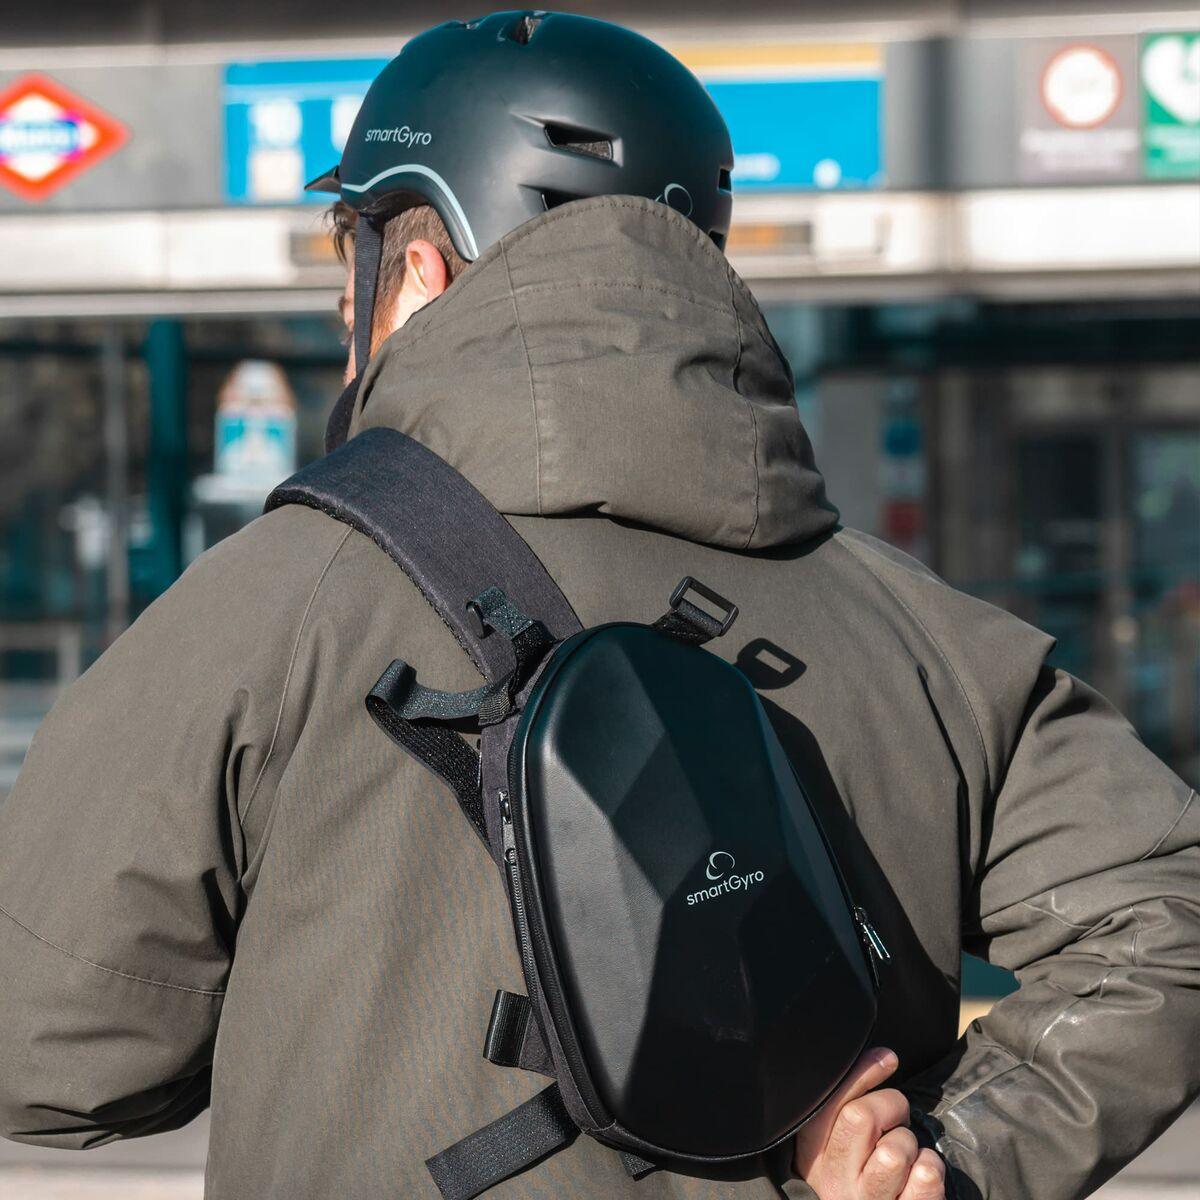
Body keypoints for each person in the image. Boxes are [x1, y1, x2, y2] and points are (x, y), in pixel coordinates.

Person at [1, 12, 1196, 1200]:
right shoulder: (924, 635)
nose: (340, 316)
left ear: (416, 274)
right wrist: (947, 1154)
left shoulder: (263, 608)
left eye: (346, 270)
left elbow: (47, 1056)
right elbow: (1169, 916)